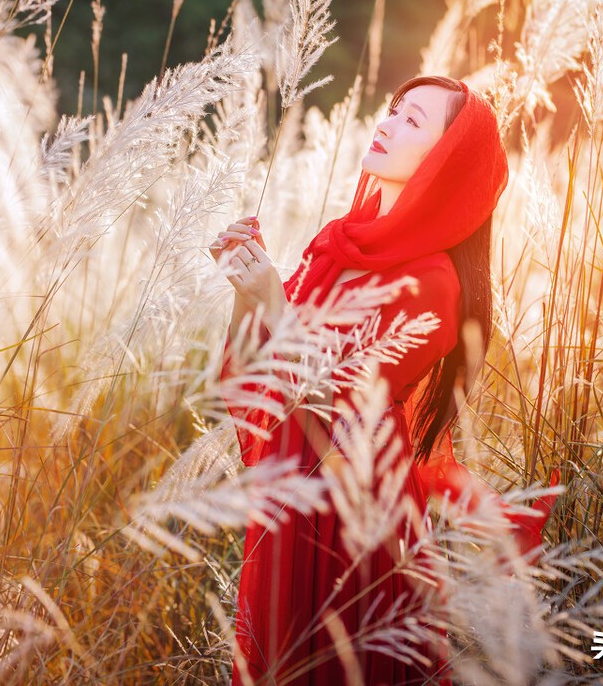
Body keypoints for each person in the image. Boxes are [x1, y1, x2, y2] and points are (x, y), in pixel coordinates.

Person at [210, 76, 559, 685]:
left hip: (359, 503)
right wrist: (248, 291)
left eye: (413, 122)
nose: (388, 122)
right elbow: (250, 373)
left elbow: (335, 393)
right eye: (394, 110)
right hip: (292, 491)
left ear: (444, 160)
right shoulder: (338, 245)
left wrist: (272, 297)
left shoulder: (436, 283)